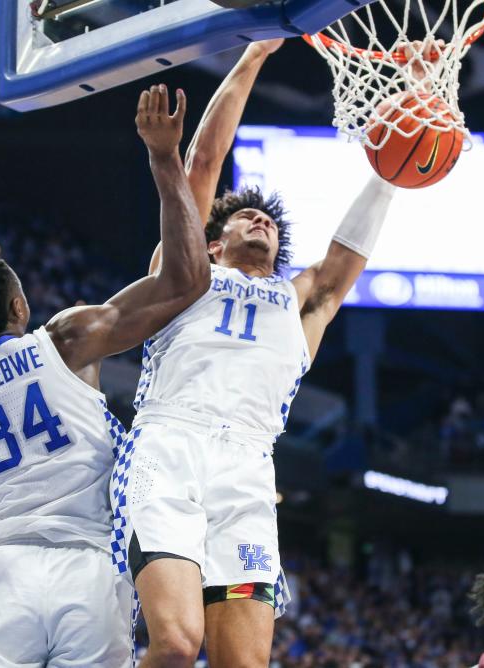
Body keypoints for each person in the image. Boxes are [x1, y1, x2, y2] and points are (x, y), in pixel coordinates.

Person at [111, 38, 401, 667]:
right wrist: (253, 58)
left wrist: (389, 173)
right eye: (244, 218)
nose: (261, 222)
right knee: (178, 644)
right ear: (211, 243)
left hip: (248, 469)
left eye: (268, 222)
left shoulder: (300, 301)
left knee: (243, 663)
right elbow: (206, 161)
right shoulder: (186, 273)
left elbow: (344, 261)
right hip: (170, 451)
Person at [0, 84, 209, 667]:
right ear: (20, 307)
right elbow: (186, 280)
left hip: (1, 579)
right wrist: (163, 157)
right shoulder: (66, 341)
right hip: (88, 569)